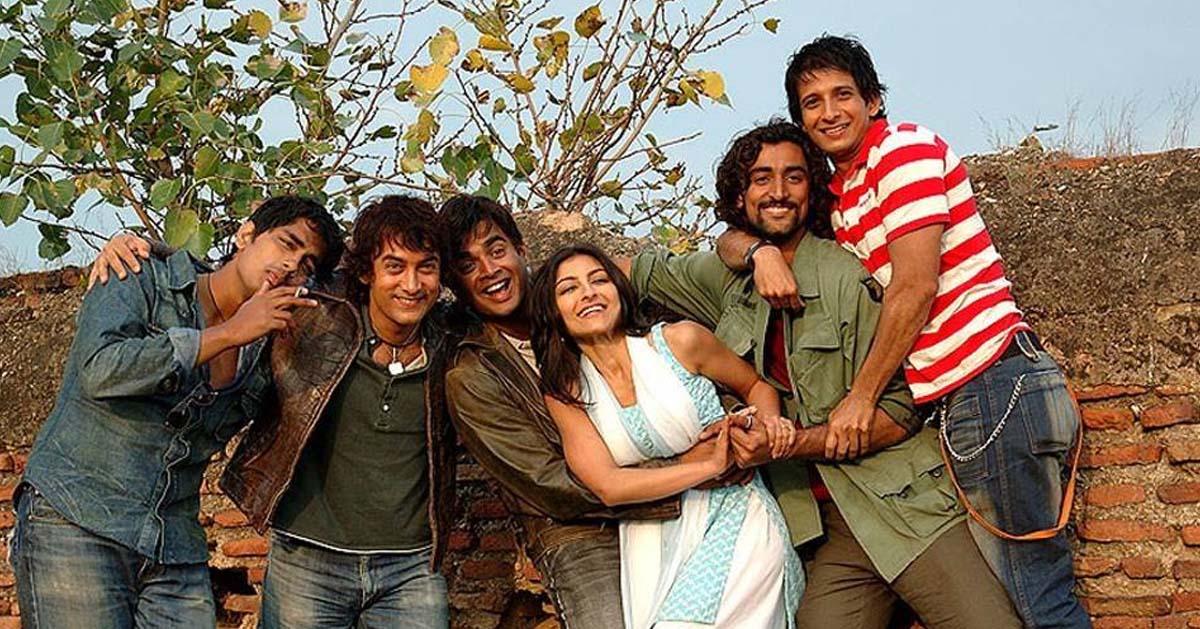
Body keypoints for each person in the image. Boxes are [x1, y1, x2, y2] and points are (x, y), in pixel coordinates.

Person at [716, 36, 1089, 628]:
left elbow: (914, 287)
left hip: (993, 382)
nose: (829, 112)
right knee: (1028, 594)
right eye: (812, 102)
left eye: (843, 95)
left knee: (1038, 597)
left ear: (873, 100)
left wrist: (860, 397)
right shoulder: (841, 197)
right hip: (966, 400)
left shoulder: (902, 151)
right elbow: (739, 232)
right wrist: (757, 250)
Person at [627, 121, 1022, 628]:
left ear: (813, 190)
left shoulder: (847, 276)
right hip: (821, 529)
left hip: (903, 506)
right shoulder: (725, 280)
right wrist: (756, 252)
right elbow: (632, 274)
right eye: (761, 178)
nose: (778, 191)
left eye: (794, 177)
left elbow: (903, 409)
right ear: (739, 195)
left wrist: (790, 443)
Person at [84, 196, 457, 628]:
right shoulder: (317, 312)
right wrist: (143, 246)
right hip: (307, 558)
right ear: (365, 272)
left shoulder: (454, 340)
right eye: (394, 266)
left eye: (426, 267)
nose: (411, 283)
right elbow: (238, 273)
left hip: (411, 566)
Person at [10, 196, 343, 628]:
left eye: (305, 264)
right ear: (246, 235)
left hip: (173, 542)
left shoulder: (269, 347)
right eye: (286, 243)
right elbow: (100, 370)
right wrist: (228, 333)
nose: (291, 264)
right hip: (77, 517)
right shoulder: (140, 274)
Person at [440, 195, 703, 629]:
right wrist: (682, 474)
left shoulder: (587, 297)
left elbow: (691, 363)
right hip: (579, 528)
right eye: (467, 265)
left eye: (496, 249)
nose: (488, 270)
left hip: (684, 488)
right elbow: (550, 485)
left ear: (521, 249)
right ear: (454, 283)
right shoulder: (472, 375)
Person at [531, 243, 802, 629]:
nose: (588, 293)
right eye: (569, 288)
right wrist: (709, 465)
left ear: (619, 290)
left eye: (599, 280)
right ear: (553, 311)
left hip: (735, 514)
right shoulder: (567, 391)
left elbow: (757, 386)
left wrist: (765, 431)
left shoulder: (679, 341)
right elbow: (608, 486)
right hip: (650, 543)